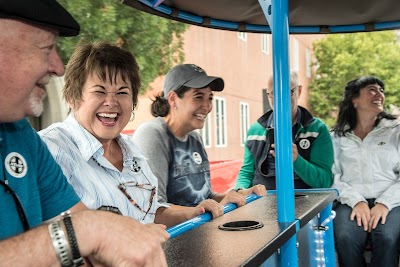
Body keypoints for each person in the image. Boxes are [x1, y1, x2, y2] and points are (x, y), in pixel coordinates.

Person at [0, 1, 168, 266]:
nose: (58, 67)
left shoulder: (23, 137)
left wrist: (101, 231)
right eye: (46, 48)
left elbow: (93, 230)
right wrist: (88, 230)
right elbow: (86, 231)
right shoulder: (53, 145)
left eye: (122, 93)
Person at [40, 40, 232, 226]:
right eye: (100, 91)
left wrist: (193, 212)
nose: (111, 102)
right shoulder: (49, 150)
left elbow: (150, 211)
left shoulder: (130, 149)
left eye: (122, 92)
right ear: (73, 97)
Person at [132, 64, 266, 210]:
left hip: (201, 231)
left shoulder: (195, 138)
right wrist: (197, 212)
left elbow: (206, 198)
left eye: (210, 98)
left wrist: (241, 194)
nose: (207, 106)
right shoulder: (152, 135)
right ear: (173, 99)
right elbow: (152, 209)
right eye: (198, 97)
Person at [331, 76, 400, 267]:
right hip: (350, 201)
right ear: (354, 99)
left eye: (381, 90)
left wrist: (384, 203)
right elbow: (333, 177)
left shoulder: (395, 132)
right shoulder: (336, 137)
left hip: (392, 201)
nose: (379, 95)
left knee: (387, 237)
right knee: (345, 237)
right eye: (372, 89)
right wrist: (357, 201)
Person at [235, 71, 333, 190]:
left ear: (299, 91)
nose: (280, 98)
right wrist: (239, 190)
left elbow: (325, 181)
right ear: (268, 95)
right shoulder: (255, 131)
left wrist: (296, 160)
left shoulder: (317, 130)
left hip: (305, 202)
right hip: (261, 202)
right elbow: (246, 172)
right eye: (274, 93)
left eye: (288, 92)